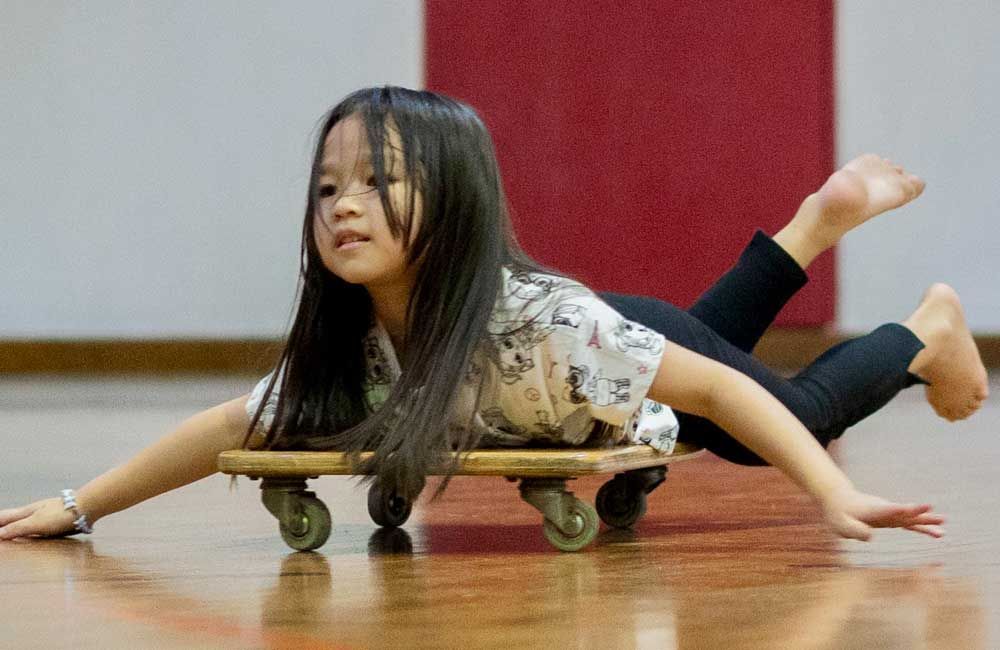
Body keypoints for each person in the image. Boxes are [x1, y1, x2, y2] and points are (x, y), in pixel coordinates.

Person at [0, 86, 986, 544]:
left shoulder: (540, 327)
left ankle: (923, 330)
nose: (343, 203)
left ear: (455, 205)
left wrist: (827, 494)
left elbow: (719, 379)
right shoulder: (359, 347)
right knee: (679, 349)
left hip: (584, 340)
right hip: (604, 351)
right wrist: (80, 504)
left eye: (378, 181)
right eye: (328, 186)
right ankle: (814, 224)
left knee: (764, 424)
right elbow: (227, 426)